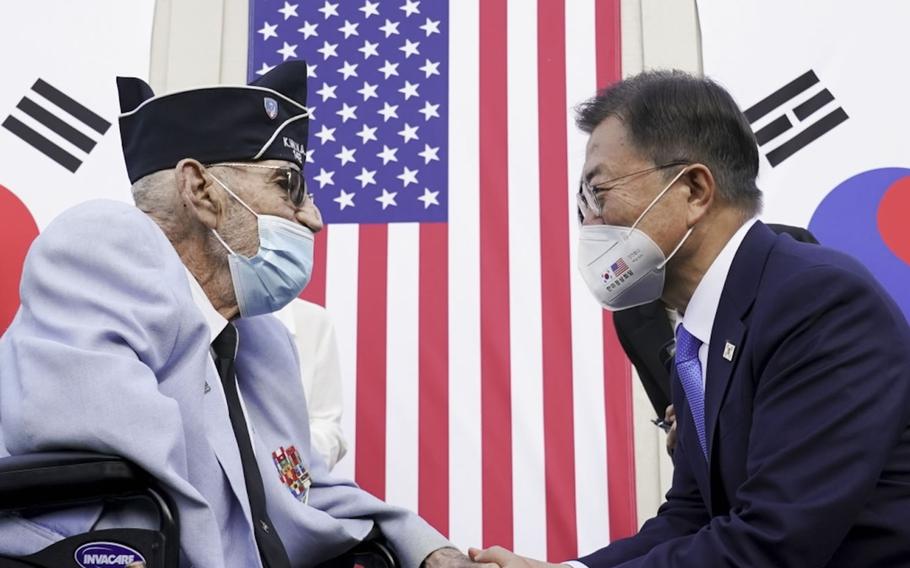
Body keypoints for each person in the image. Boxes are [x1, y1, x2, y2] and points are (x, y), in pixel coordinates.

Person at [0, 61, 477, 568]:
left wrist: (429, 551)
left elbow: (303, 487)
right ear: (202, 192)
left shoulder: (261, 337)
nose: (313, 217)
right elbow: (133, 477)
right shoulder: (106, 243)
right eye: (288, 187)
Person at [470, 70, 910, 567]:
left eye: (598, 192)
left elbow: (773, 541)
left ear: (695, 190)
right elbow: (690, 515)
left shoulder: (819, 303)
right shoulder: (697, 336)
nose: (590, 223)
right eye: (581, 205)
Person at [614, 224, 819, 455]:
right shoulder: (632, 314)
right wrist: (683, 435)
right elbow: (676, 429)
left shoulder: (786, 247)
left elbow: (829, 384)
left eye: (601, 199)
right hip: (723, 483)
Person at [276, 299, 348, 470]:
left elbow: (328, 428)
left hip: (288, 486)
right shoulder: (203, 318)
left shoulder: (313, 322)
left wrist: (283, 468)